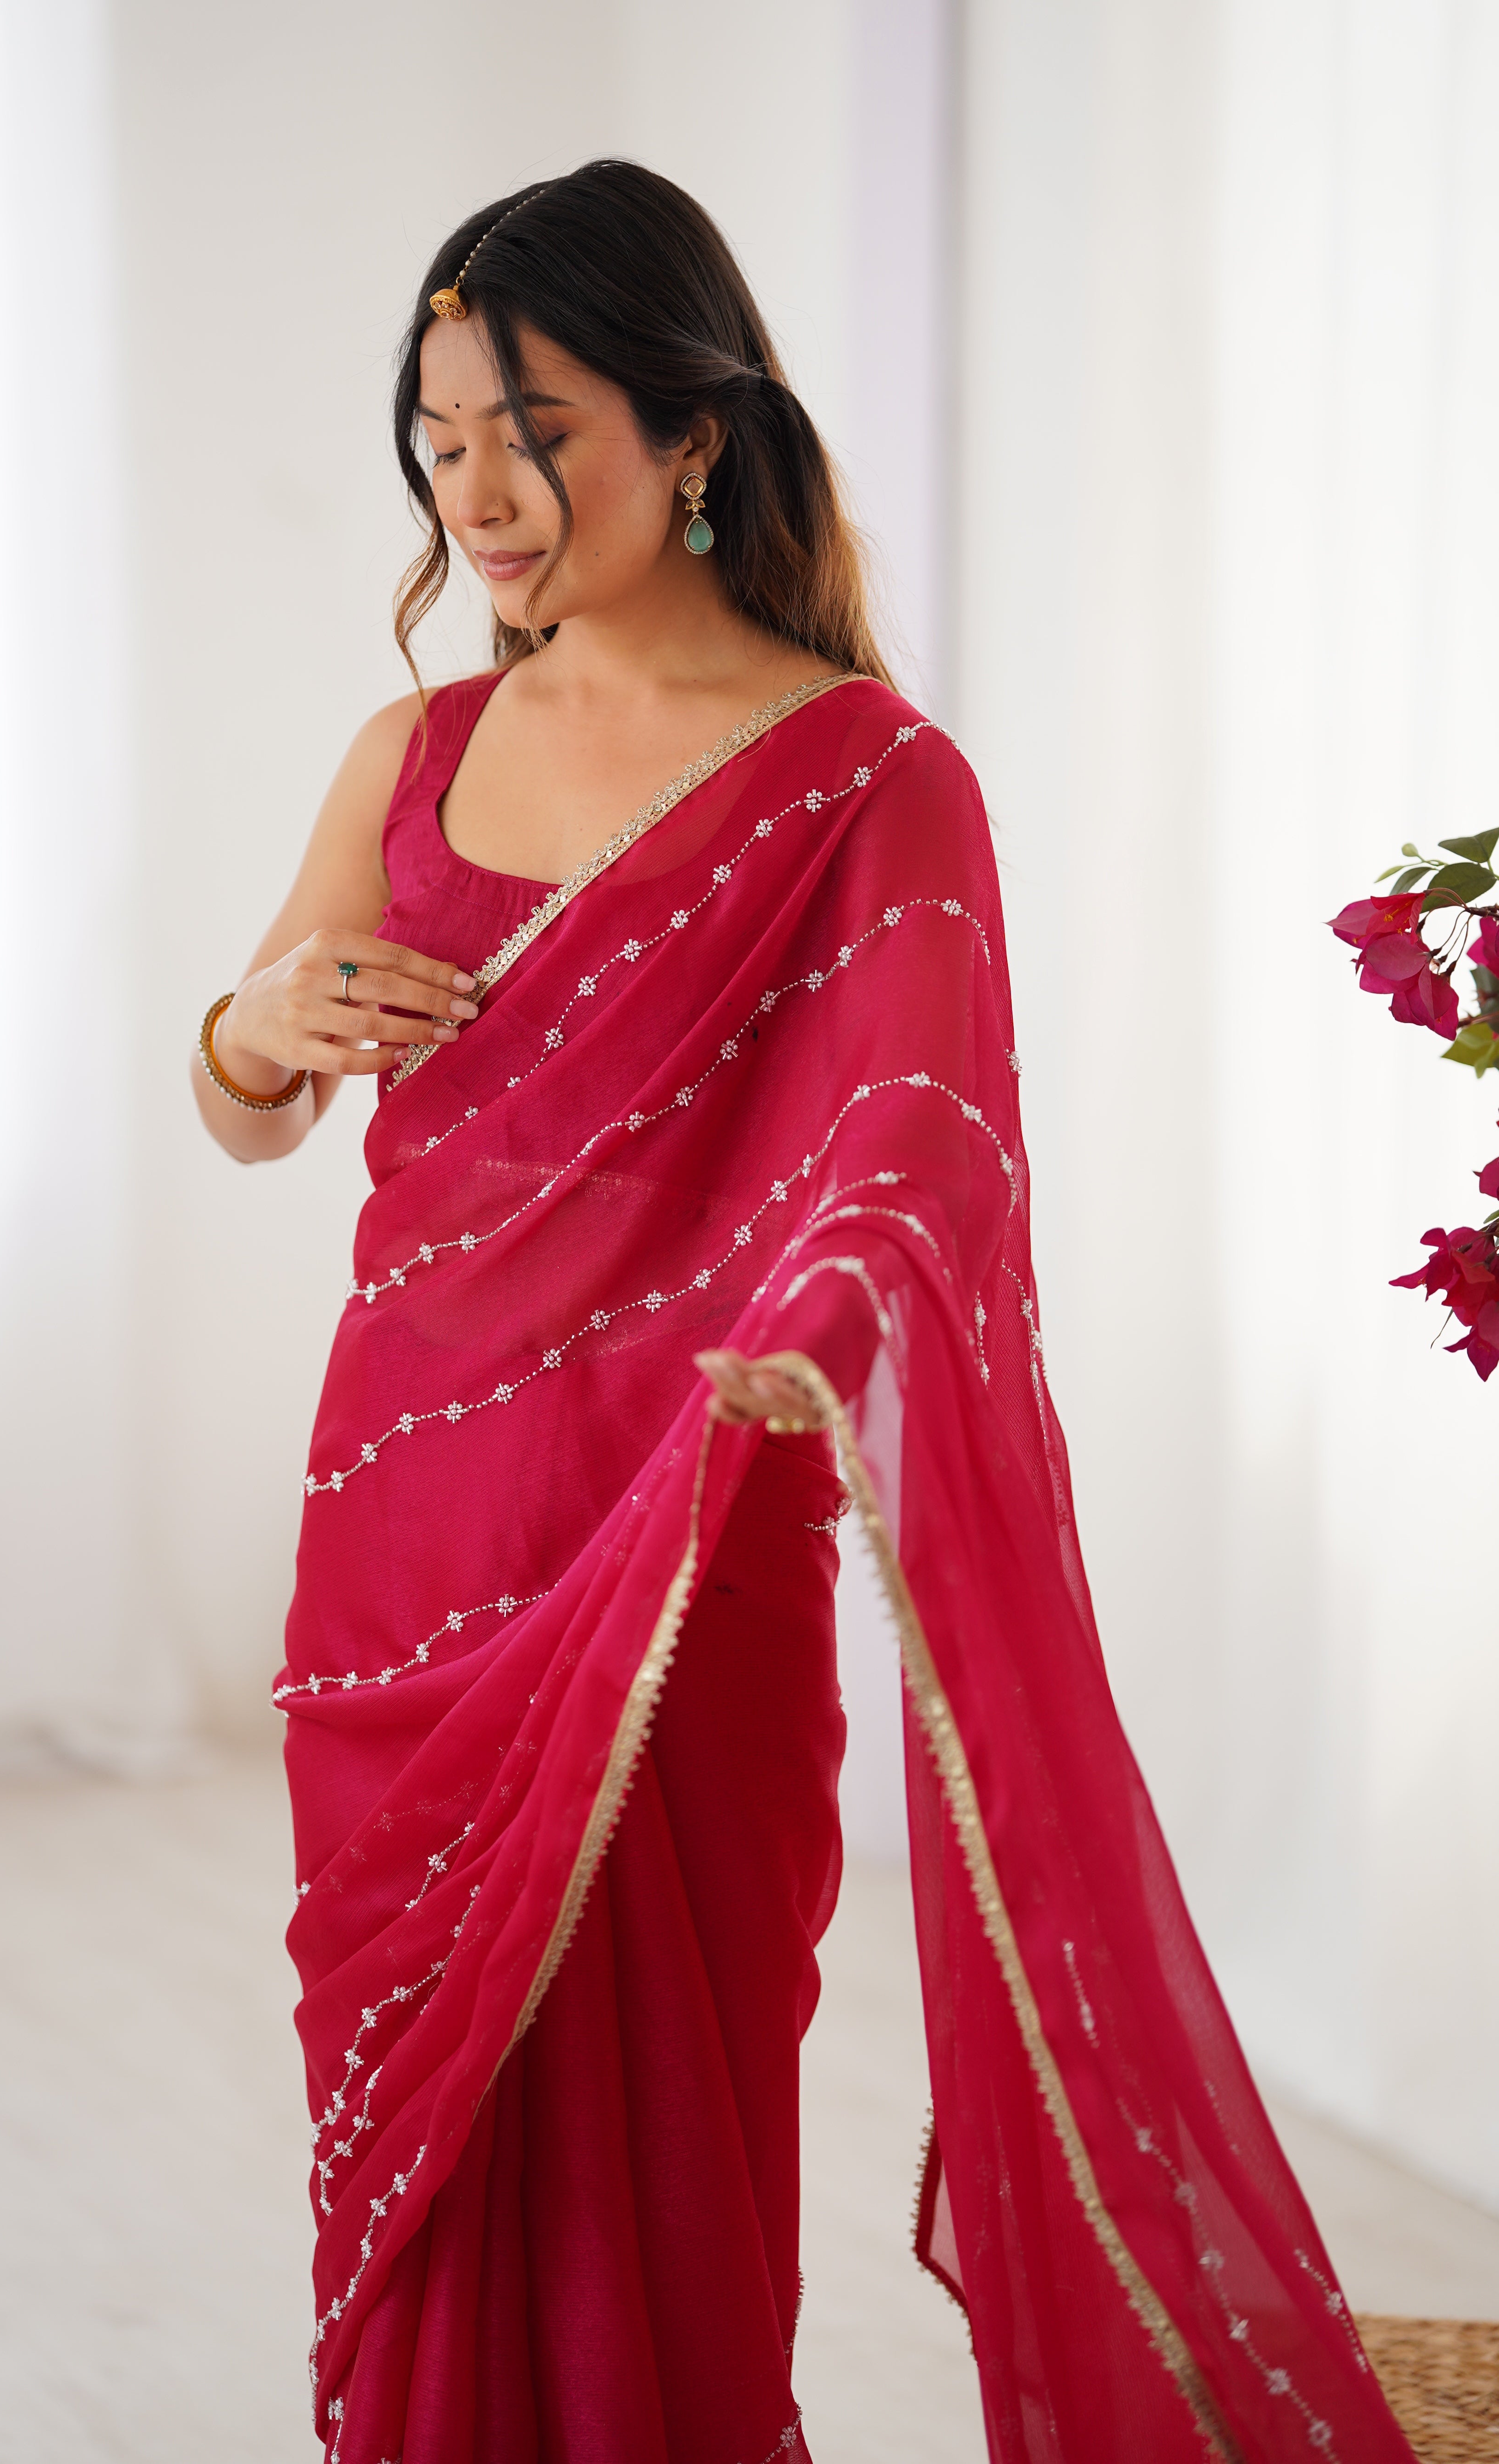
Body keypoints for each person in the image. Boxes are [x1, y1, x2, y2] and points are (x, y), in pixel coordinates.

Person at [192, 163, 1415, 2464]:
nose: (477, 493)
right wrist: (248, 1029)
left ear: (692, 434)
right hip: (406, 1530)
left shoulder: (871, 782)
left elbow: (924, 1148)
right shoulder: (411, 755)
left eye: (533, 430)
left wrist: (819, 1320)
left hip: (690, 1525)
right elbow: (253, 1099)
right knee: (414, 2116)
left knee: (672, 2118)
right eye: (440, 440)